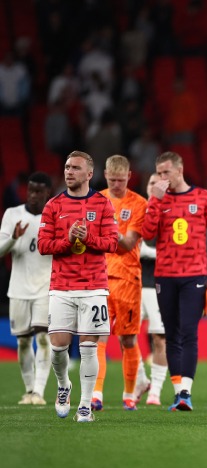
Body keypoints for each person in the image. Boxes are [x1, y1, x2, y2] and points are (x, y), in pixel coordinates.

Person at [37, 151, 119, 422]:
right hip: (61, 285)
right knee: (58, 347)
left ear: (89, 174)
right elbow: (43, 246)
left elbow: (112, 243)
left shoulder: (103, 204)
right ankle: (63, 386)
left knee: (88, 348)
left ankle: (85, 405)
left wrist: (90, 238)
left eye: (75, 168)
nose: (69, 172)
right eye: (66, 167)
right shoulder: (53, 205)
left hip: (94, 286)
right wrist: (67, 240)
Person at [140, 151, 207, 411]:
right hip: (165, 275)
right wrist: (154, 200)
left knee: (188, 332)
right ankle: (178, 394)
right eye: (159, 173)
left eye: (166, 172)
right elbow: (148, 234)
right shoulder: (158, 200)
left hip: (194, 275)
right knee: (171, 334)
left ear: (179, 170)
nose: (162, 178)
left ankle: (186, 390)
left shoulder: (203, 197)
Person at [92, 155, 150, 411]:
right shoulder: (95, 200)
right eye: (111, 179)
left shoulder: (139, 203)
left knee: (127, 340)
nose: (116, 184)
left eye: (120, 179)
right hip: (99, 277)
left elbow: (127, 244)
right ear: (105, 175)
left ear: (129, 176)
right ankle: (96, 394)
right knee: (97, 337)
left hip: (128, 279)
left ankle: (129, 394)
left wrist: (107, 226)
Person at [0, 172, 53, 405]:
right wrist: (13, 238)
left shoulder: (54, 218)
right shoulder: (13, 215)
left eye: (38, 191)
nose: (32, 195)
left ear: (47, 193)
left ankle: (39, 392)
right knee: (23, 341)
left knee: (43, 338)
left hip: (45, 288)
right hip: (19, 289)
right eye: (30, 190)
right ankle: (29, 389)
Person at [139, 173, 169, 406]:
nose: (155, 187)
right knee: (126, 338)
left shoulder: (171, 215)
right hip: (133, 283)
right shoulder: (136, 210)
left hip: (159, 285)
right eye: (152, 183)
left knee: (160, 339)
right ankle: (140, 378)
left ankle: (155, 392)